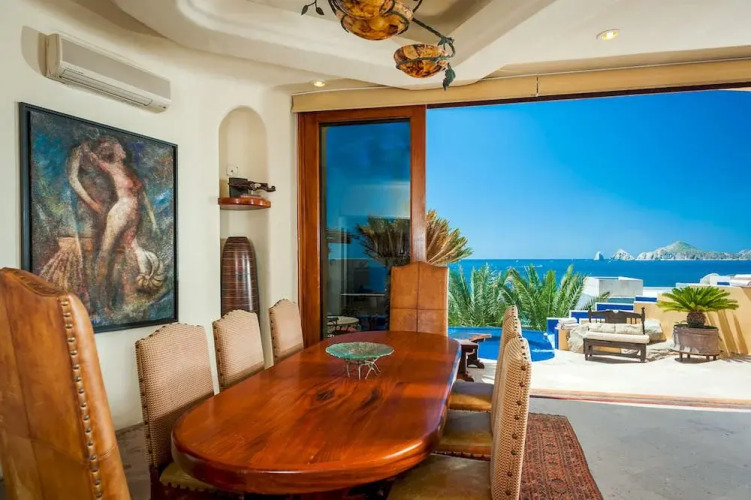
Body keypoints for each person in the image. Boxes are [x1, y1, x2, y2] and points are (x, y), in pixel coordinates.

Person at [67, 136, 163, 317]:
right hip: (120, 212)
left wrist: (153, 220)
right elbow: (91, 158)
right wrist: (85, 148)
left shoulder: (128, 171)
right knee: (105, 255)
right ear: (113, 151)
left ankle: (123, 298)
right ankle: (100, 302)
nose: (123, 150)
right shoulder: (110, 167)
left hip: (134, 215)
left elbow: (143, 197)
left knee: (126, 255)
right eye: (120, 147)